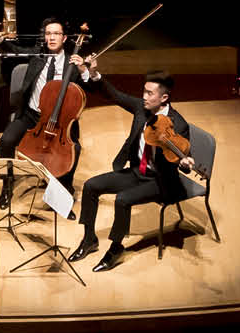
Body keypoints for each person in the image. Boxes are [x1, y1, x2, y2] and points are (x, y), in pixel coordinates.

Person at [68, 58, 197, 272]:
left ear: (164, 98)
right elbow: (115, 95)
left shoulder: (178, 124)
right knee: (91, 186)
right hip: (137, 172)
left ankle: (115, 249)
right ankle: (90, 239)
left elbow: (183, 157)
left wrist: (184, 162)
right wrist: (94, 74)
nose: (144, 97)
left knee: (123, 199)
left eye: (149, 94)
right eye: (144, 92)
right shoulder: (141, 108)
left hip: (160, 181)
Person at [0, 18, 95, 195]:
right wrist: (0, 40)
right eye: (48, 34)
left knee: (74, 149)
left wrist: (84, 70)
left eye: (56, 34)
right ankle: (7, 184)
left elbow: (90, 88)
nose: (52, 38)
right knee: (6, 141)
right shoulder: (38, 56)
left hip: (60, 121)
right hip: (31, 115)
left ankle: (64, 189)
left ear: (65, 38)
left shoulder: (73, 63)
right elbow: (16, 50)